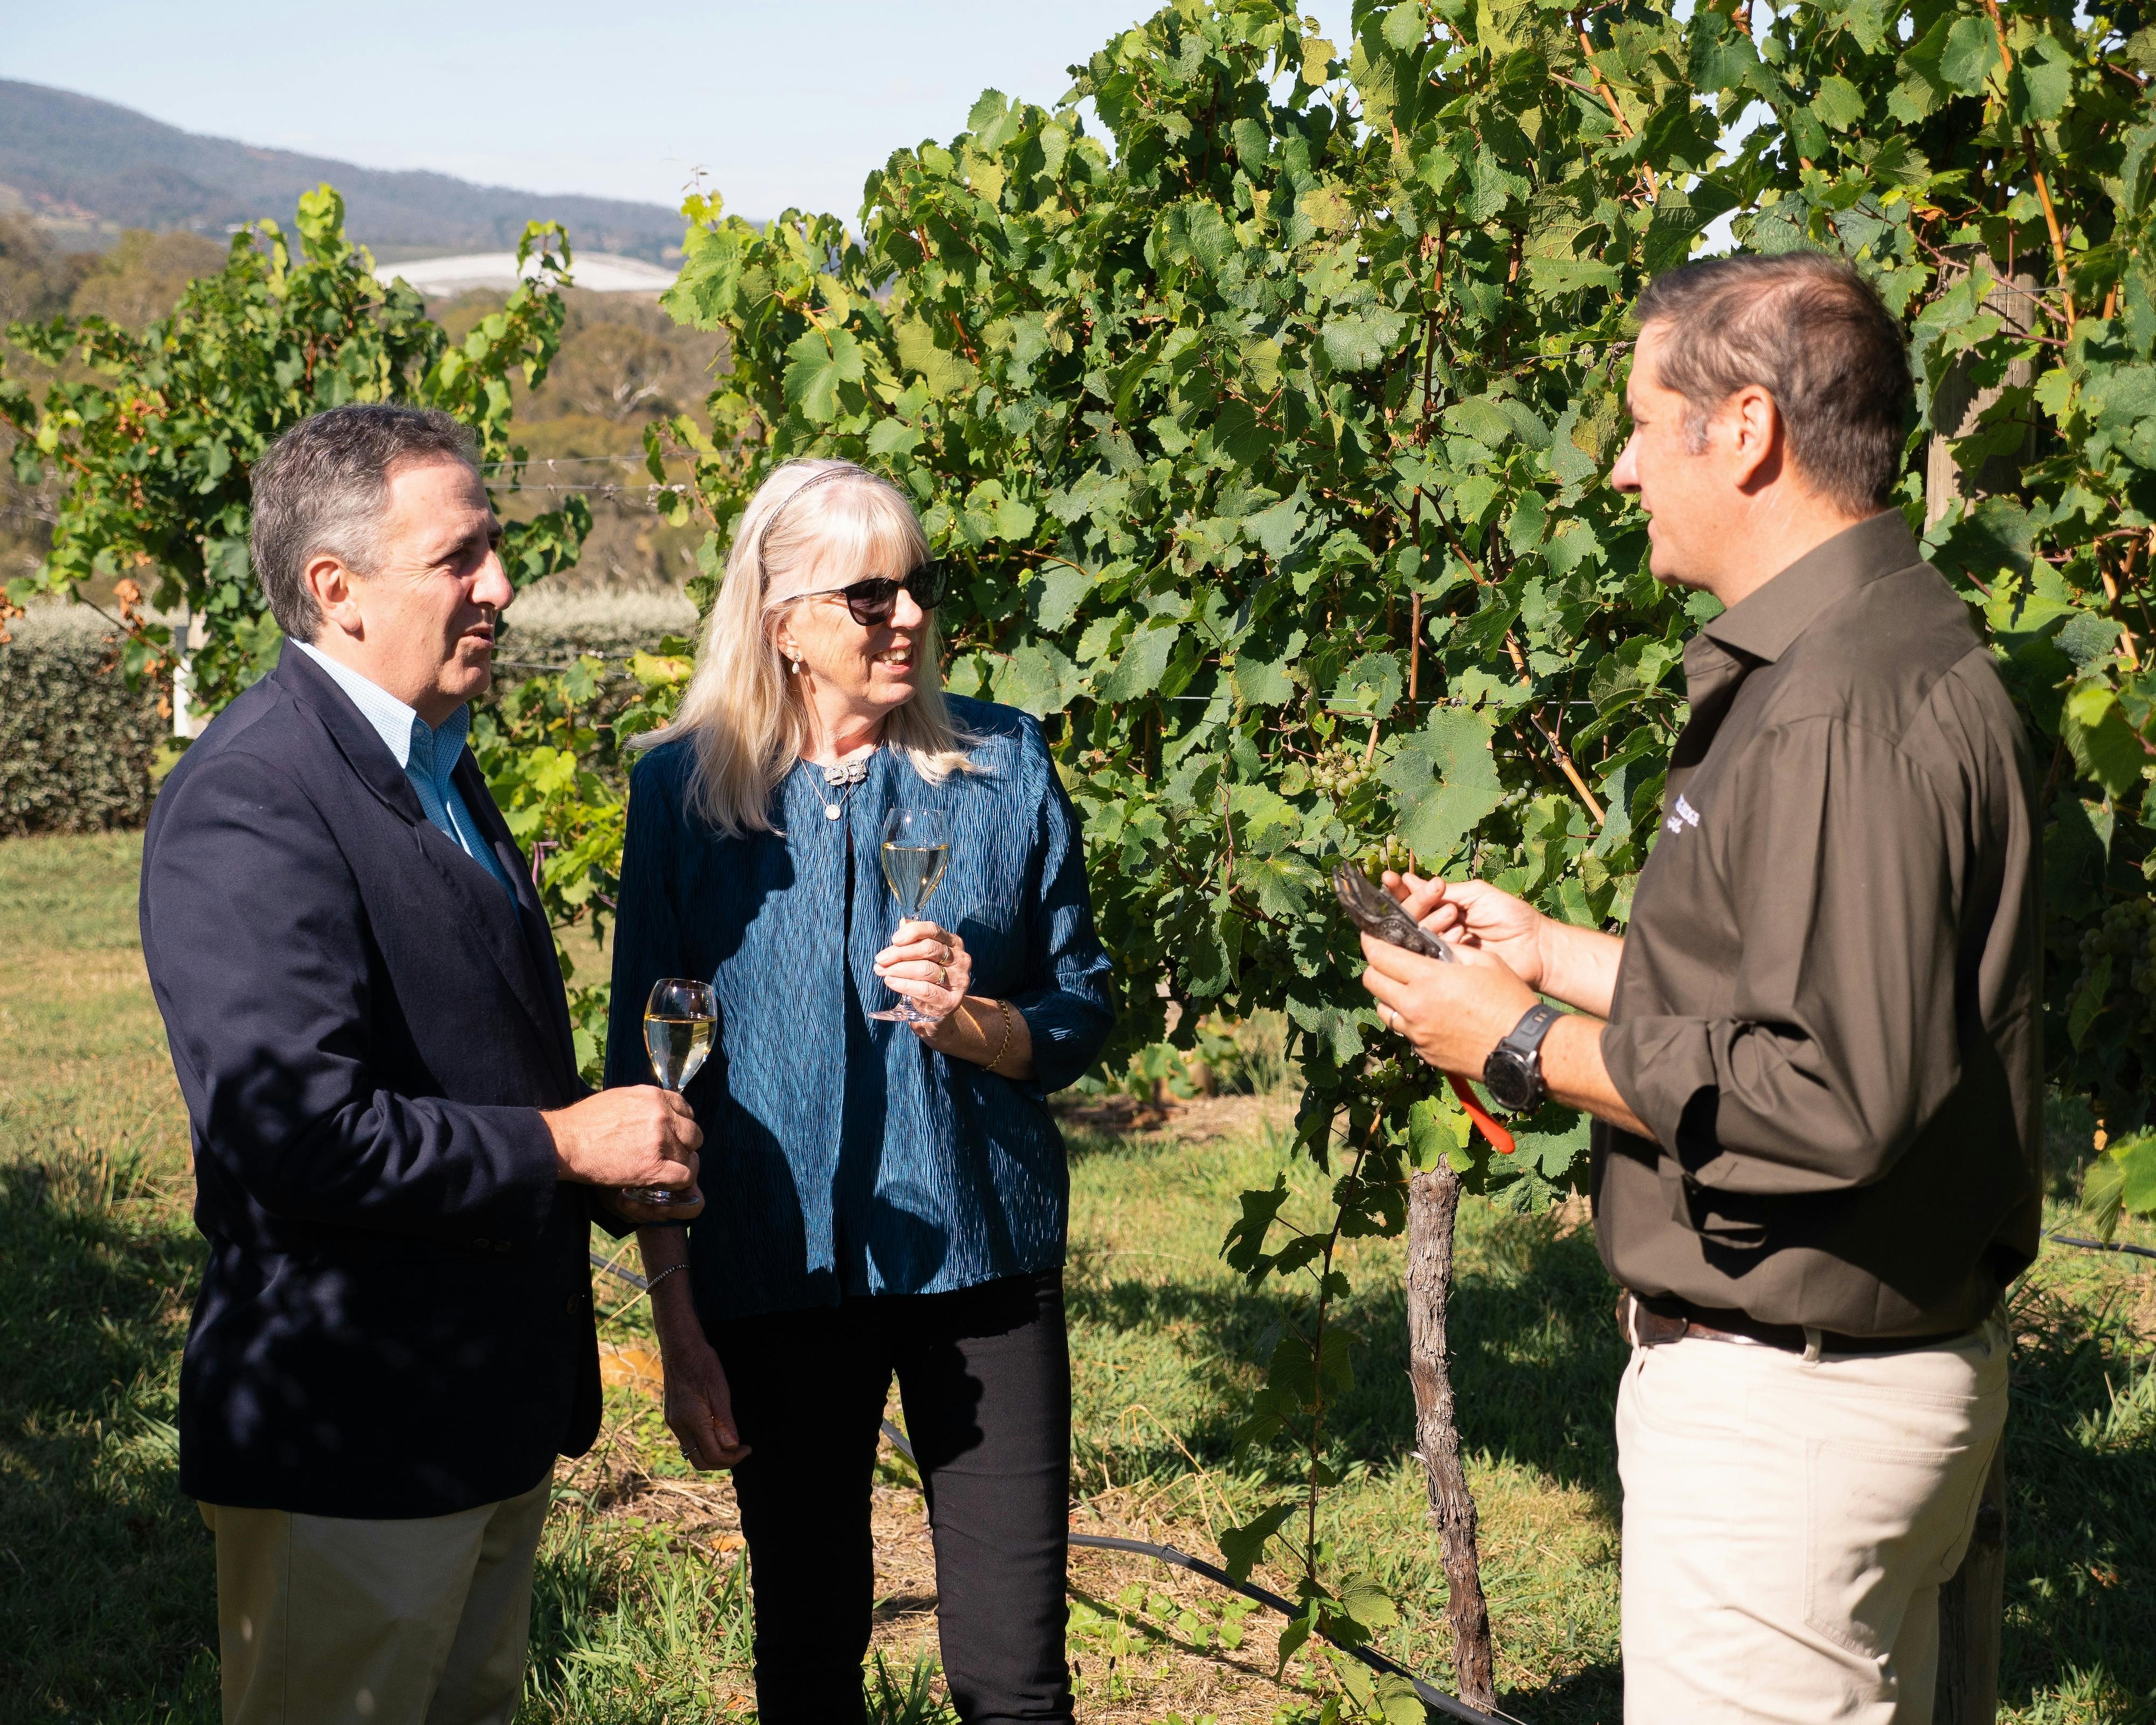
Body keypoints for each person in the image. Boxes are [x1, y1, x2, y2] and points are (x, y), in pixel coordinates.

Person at [1359, 255, 2038, 1723]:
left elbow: (1829, 1092)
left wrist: (1524, 1043)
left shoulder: (1830, 714)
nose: (1617, 468)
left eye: (1641, 421)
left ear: (1744, 431)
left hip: (1793, 1422)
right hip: (1863, 1385)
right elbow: (1821, 1000)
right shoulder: (1887, 652)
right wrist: (1546, 953)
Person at [140, 404, 705, 1725]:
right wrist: (564, 1146)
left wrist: (599, 1169)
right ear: (336, 590)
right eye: (462, 557)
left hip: (477, 1414)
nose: (500, 585)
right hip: (356, 1436)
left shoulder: (432, 762)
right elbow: (296, 1133)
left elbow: (459, 1055)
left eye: (494, 551)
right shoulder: (253, 796)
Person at [609, 457, 1115, 1725]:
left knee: (1009, 1675)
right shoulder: (682, 794)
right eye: (868, 594)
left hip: (980, 1265)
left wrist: (982, 1021)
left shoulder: (1001, 765)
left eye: (919, 587)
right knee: (809, 1650)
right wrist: (678, 1325)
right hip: (775, 1278)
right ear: (782, 622)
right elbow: (648, 1077)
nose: (906, 618)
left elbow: (1082, 1003)